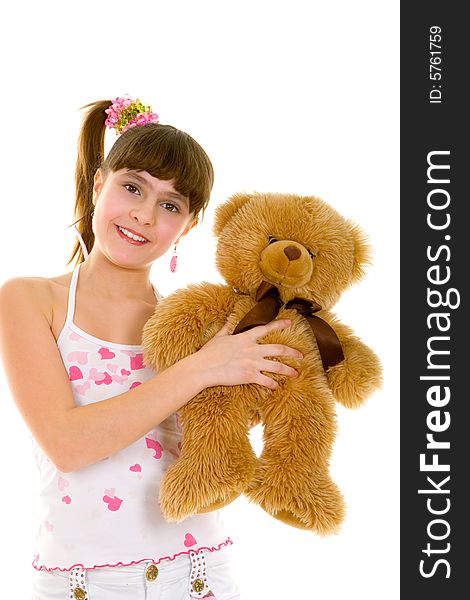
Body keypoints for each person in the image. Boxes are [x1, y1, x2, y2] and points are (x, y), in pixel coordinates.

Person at [0, 95, 303, 599]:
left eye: (169, 205)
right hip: (82, 584)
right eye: (132, 187)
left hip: (200, 575)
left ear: (187, 226)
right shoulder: (32, 300)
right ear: (99, 183)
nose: (144, 214)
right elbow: (68, 445)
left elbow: (220, 441)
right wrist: (203, 369)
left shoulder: (197, 325)